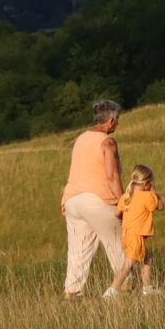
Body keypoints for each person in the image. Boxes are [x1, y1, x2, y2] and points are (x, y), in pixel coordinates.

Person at [61, 99, 128, 300]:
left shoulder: (80, 138)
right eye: (117, 120)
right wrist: (123, 202)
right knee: (118, 244)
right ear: (111, 121)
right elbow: (111, 176)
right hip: (97, 200)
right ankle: (124, 286)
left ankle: (73, 292)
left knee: (78, 250)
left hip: (73, 201)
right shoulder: (107, 142)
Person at [110, 165, 164, 296]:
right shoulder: (147, 196)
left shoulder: (126, 196)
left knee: (148, 258)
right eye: (150, 183)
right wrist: (155, 193)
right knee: (128, 265)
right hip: (136, 236)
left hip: (127, 234)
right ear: (146, 184)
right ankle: (111, 291)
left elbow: (117, 213)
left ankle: (147, 288)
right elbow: (161, 207)